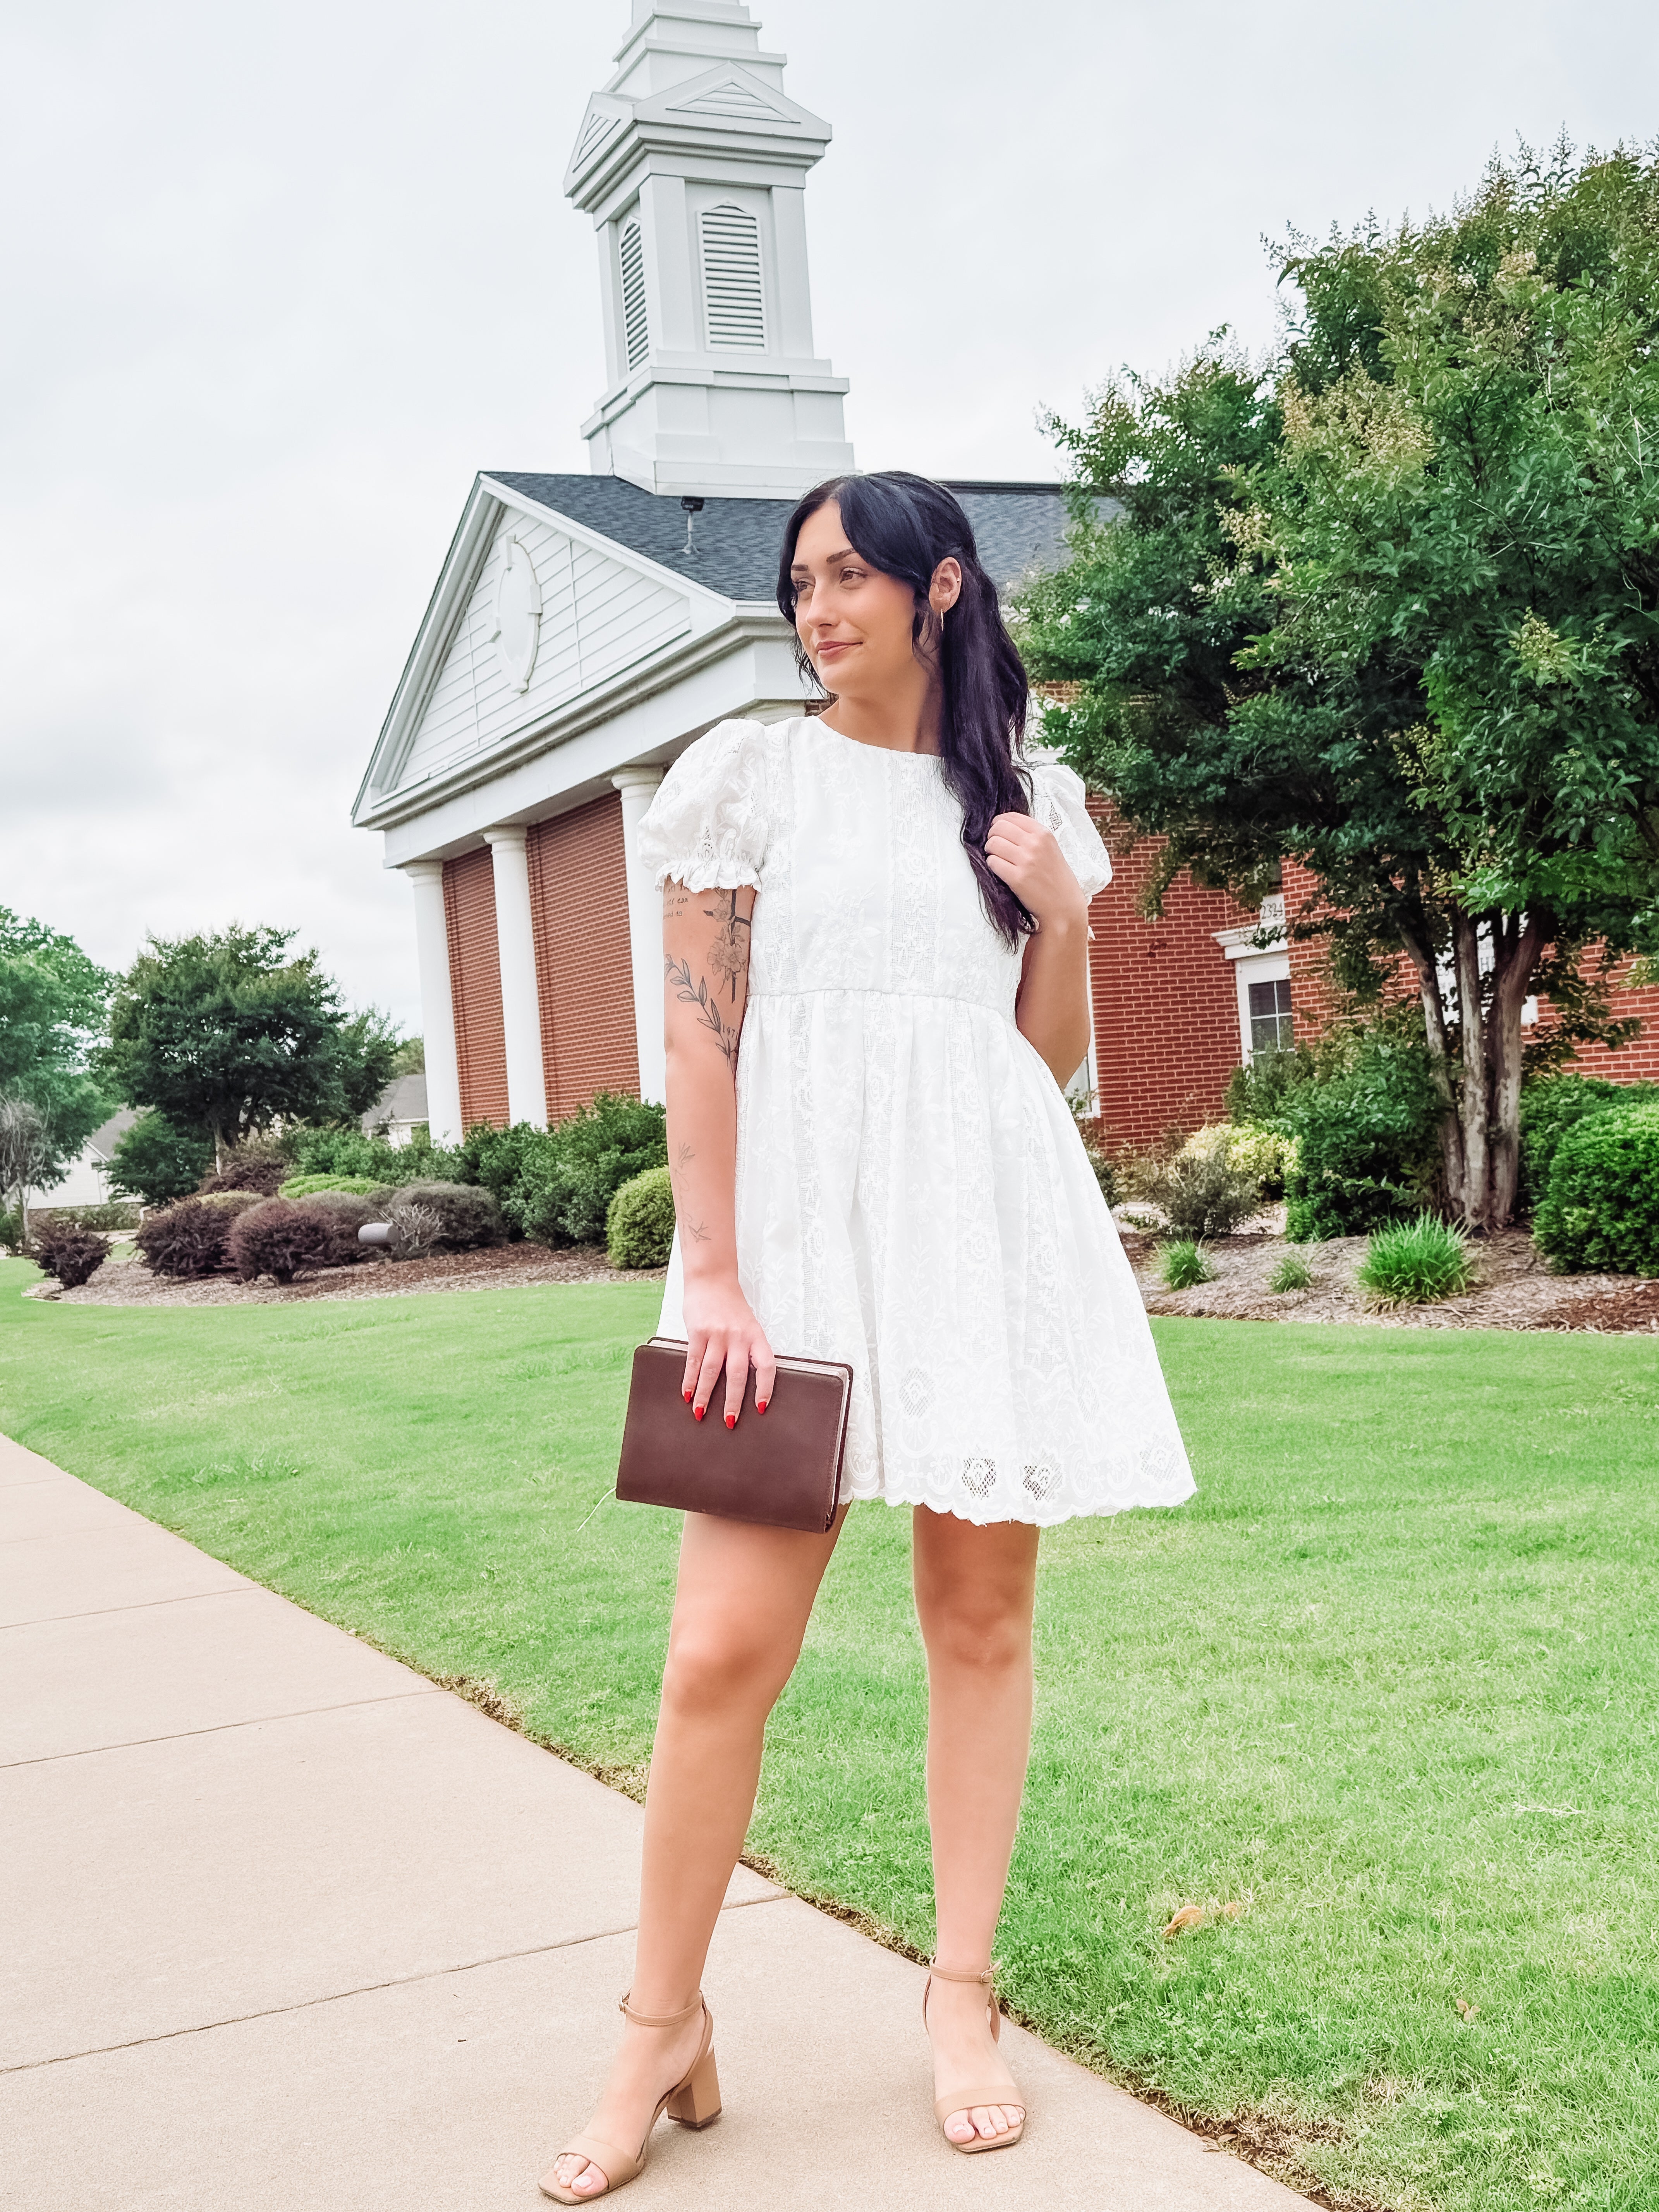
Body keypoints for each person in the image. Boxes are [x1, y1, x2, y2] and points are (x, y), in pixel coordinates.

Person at [541, 471, 1194, 2203]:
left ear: (944, 587)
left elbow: (1038, 1060)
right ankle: (656, 2024)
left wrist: (1059, 910)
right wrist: (718, 1272)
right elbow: (701, 1046)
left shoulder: (1028, 798)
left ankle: (961, 1999)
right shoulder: (748, 774)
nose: (817, 607)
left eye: (850, 577)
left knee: (979, 1622)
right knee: (716, 1659)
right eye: (800, 580)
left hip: (979, 1243)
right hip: (789, 1258)